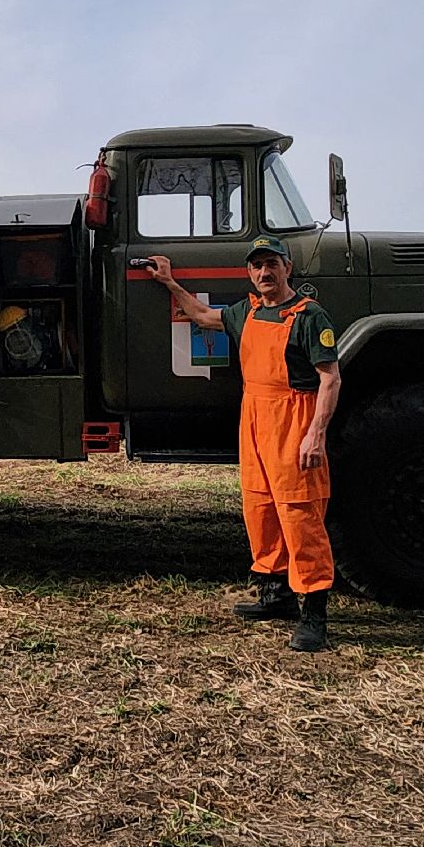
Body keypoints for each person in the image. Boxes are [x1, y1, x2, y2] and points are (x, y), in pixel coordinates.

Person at [147, 234, 341, 651]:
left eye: (272, 264)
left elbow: (330, 379)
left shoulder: (309, 317)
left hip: (294, 419)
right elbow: (201, 315)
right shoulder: (244, 312)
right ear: (249, 273)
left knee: (300, 514)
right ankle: (277, 597)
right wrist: (169, 282)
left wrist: (316, 434)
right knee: (261, 508)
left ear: (288, 268)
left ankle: (315, 616)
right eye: (257, 266)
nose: (264, 272)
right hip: (253, 418)